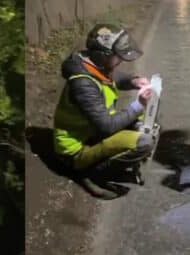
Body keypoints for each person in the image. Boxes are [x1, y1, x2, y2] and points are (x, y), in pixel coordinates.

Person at [53, 23, 154, 197]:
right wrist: (139, 104)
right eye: (117, 57)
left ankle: (104, 162)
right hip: (77, 150)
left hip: (92, 133)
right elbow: (107, 126)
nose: (121, 60)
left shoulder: (92, 64)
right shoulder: (83, 84)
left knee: (141, 123)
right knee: (144, 142)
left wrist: (134, 81)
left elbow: (114, 77)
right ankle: (95, 174)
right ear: (103, 56)